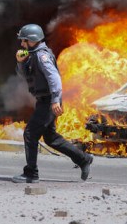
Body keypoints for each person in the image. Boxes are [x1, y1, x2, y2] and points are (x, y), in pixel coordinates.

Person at [12, 24, 93, 183]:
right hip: (44, 100)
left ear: (33, 40)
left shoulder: (42, 56)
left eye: (24, 40)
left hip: (49, 101)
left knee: (30, 134)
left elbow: (54, 78)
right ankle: (83, 159)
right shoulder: (33, 54)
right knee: (51, 138)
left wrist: (55, 100)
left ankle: (31, 174)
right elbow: (25, 76)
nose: (22, 44)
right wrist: (20, 62)